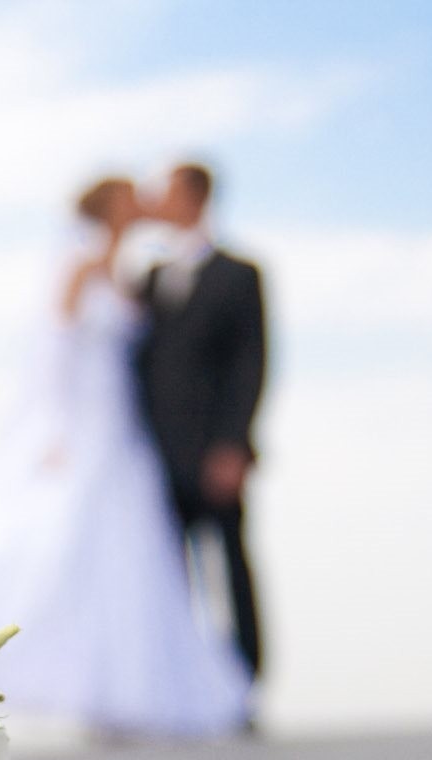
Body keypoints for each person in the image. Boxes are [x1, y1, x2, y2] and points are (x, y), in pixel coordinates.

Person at [0, 177, 251, 737]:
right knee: (57, 546)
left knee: (129, 560)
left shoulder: (131, 274)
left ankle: (122, 692)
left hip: (125, 430)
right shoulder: (76, 266)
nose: (142, 205)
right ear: (106, 210)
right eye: (129, 199)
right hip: (83, 425)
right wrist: (55, 428)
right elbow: (52, 349)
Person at [131, 163, 269, 680]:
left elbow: (251, 364)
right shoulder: (146, 281)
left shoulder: (240, 274)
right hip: (152, 456)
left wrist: (234, 444)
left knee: (231, 567)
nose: (154, 202)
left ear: (194, 197)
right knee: (165, 578)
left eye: (163, 192)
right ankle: (179, 687)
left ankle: (244, 684)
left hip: (215, 454)